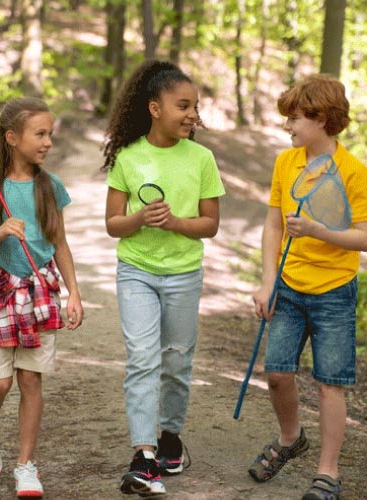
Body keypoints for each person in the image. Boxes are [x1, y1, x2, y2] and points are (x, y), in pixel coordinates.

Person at [102, 59, 226, 497]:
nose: (192, 114)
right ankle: (144, 455)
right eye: (183, 106)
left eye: (195, 106)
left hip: (183, 275)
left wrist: (173, 223)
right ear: (155, 108)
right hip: (136, 271)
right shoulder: (130, 158)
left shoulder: (202, 159)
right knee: (142, 359)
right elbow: (113, 225)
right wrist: (139, 217)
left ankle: (170, 436)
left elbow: (210, 224)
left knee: (176, 361)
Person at [248, 74, 367, 500]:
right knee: (277, 373)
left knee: (328, 382)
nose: (288, 126)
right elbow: (272, 223)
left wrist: (320, 230)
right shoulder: (287, 162)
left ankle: (328, 472)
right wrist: (268, 282)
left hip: (334, 292)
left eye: (295, 118)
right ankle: (291, 439)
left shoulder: (353, 172)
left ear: (322, 119)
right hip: (288, 287)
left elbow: (365, 238)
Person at [0, 96, 84, 499]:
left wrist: (74, 294)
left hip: (40, 288)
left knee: (30, 379)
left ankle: (26, 465)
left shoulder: (51, 186)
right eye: (39, 134)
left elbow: (59, 242)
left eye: (50, 134)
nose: (47, 142)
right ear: (12, 137)